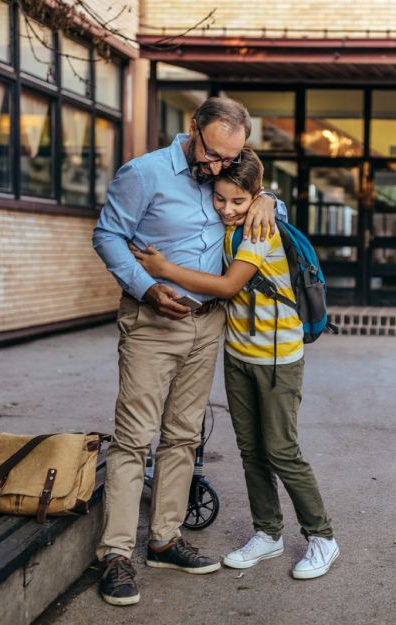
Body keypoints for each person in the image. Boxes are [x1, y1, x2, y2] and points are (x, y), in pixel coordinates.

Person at [91, 97, 285, 606]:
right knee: (134, 440)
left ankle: (164, 539)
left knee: (182, 437)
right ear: (192, 128)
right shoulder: (145, 173)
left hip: (208, 324)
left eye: (230, 158)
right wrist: (145, 287)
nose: (219, 167)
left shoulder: (229, 171)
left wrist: (270, 201)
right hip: (153, 320)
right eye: (214, 155)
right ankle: (114, 555)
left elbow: (253, 198)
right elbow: (107, 235)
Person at [132, 147, 339, 580]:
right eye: (220, 199)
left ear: (255, 198)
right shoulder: (229, 224)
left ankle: (323, 537)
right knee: (250, 451)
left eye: (238, 201)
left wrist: (163, 268)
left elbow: (227, 286)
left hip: (278, 358)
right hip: (240, 354)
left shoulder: (261, 230)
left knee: (282, 450)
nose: (227, 209)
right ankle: (268, 532)